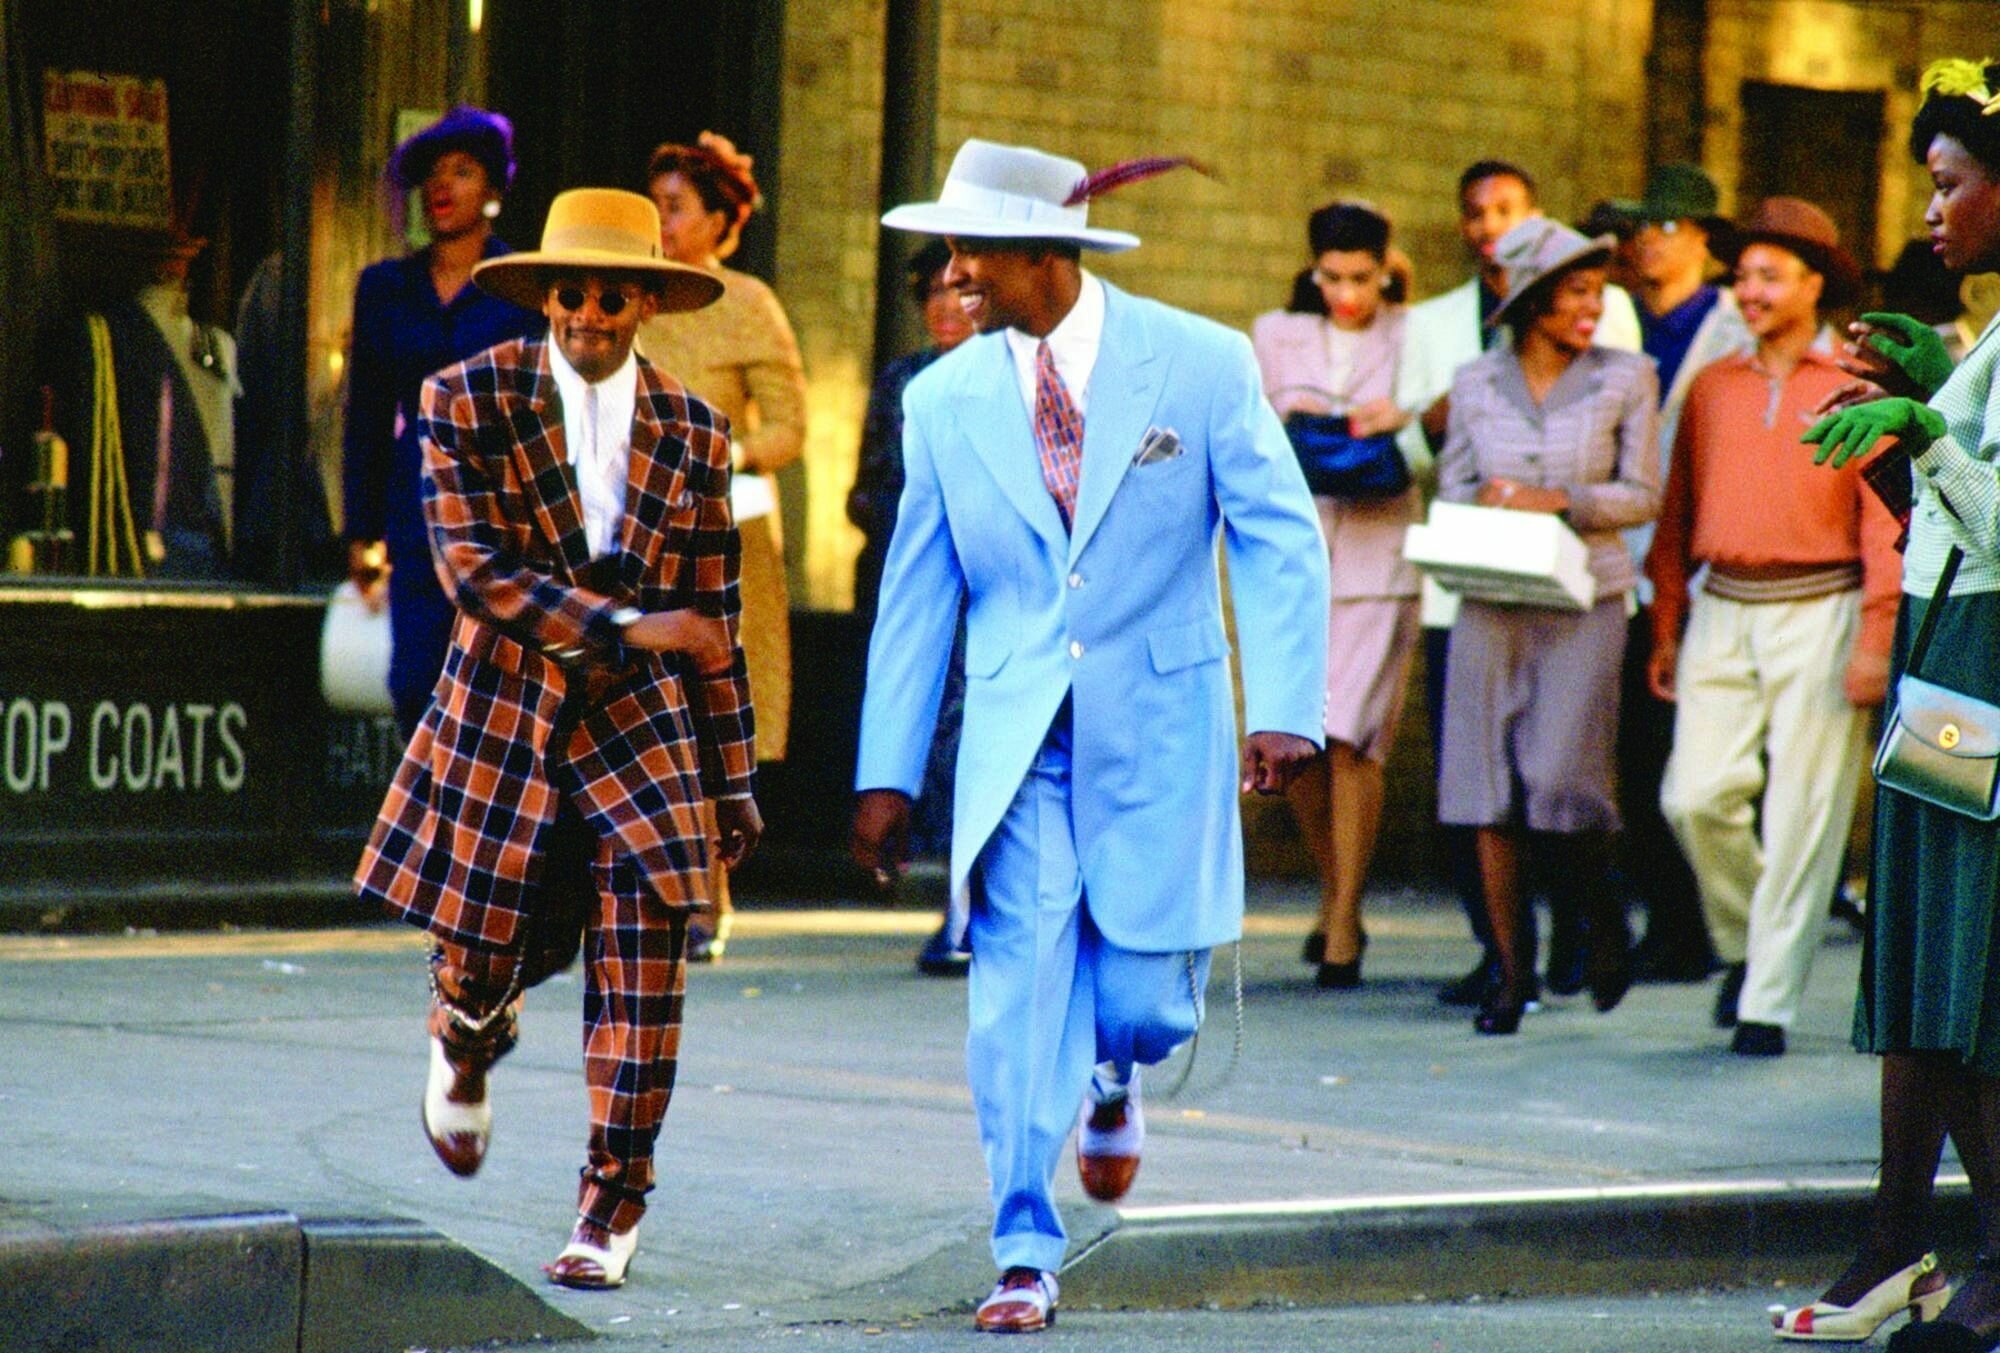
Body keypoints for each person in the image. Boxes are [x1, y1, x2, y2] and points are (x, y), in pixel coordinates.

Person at [851, 139, 1328, 1333]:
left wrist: (1284, 706)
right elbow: (917, 590)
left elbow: (1277, 534)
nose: (953, 274)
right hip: (1016, 741)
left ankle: (1114, 1074)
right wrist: (884, 773)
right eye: (948, 250)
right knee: (1016, 997)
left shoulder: (1200, 364)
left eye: (973, 250)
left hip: (1161, 726)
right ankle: (1022, 1246)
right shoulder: (940, 398)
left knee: (1144, 1006)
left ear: (1044, 254)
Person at [353, 188, 761, 1291]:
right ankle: (464, 1036)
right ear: (544, 297)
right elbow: (470, 570)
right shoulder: (463, 397)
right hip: (506, 709)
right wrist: (627, 626)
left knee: (645, 969)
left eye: (611, 297)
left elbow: (714, 621)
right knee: (485, 957)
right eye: (569, 293)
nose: (588, 314)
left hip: (644, 728)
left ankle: (610, 1203)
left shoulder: (696, 431)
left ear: (646, 304)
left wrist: (732, 780)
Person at [1783, 58, 2000, 1350]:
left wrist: (1926, 431)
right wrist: (1910, 424)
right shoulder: (1991, 340)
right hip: (1945, 659)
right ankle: (1898, 1241)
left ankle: (1991, 1268)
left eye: (1949, 181)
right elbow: (1939, 526)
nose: (1929, 210)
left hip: (1984, 664)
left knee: (1968, 971)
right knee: (1919, 956)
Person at [1647, 197, 1898, 1060]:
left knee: (1803, 813)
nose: (1749, 291)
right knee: (1693, 797)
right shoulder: (1713, 386)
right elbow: (1676, 513)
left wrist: (1876, 638)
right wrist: (1668, 623)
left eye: (1770, 275)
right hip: (1722, 603)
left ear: (1815, 284)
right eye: (1743, 275)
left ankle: (1767, 1002)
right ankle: (1747, 942)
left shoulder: (1855, 387)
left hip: (1824, 605)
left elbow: (1885, 526)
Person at [1394, 161, 1643, 1006]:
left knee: (1562, 779)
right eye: (1575, 293)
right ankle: (1510, 972)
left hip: (1586, 596)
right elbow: (1455, 484)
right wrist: (1490, 501)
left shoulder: (1625, 376)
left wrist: (1558, 498)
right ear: (1533, 300)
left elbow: (1642, 493)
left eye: (1596, 292)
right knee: (1482, 788)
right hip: (1490, 593)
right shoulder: (1473, 381)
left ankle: (1599, 919)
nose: (1592, 306)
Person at [640, 132, 807, 961]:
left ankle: (709, 887)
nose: (662, 223)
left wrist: (726, 451)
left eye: (676, 208)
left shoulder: (747, 303)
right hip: (634, 530)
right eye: (655, 207)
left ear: (717, 220)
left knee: (710, 706)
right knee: (643, 705)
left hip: (723, 534)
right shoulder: (628, 293)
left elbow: (790, 427)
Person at [1251, 201, 1419, 989]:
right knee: (1302, 739)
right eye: (1332, 277)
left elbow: (1434, 430)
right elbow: (1256, 433)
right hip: (1294, 559)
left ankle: (1345, 916)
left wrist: (1400, 420)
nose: (1348, 294)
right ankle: (1333, 889)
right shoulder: (1275, 334)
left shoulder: (1415, 334)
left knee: (1352, 737)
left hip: (1382, 561)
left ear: (1386, 270)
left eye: (1362, 277)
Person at [342, 106, 542, 737]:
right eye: (432, 173)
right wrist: (362, 531)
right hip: (417, 500)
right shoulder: (385, 287)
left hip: (501, 508)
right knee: (415, 682)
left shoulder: (523, 286)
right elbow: (367, 414)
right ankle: (425, 798)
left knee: (492, 689)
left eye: (462, 171)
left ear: (492, 190)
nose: (442, 185)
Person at [1610, 163, 1752, 986]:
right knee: (1634, 755)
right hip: (1621, 564)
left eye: (1666, 227)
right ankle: (1667, 921)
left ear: (1705, 239)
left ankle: (1715, 926)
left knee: (1697, 759)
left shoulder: (1731, 326)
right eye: (1640, 229)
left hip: (1702, 566)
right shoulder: (1615, 319)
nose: (1648, 243)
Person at [849, 236, 977, 976]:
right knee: (925, 739)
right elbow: (867, 486)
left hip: (982, 589)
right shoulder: (903, 379)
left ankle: (966, 906)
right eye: (931, 293)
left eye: (957, 290)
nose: (944, 306)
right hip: (913, 580)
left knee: (971, 741)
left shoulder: (1000, 376)